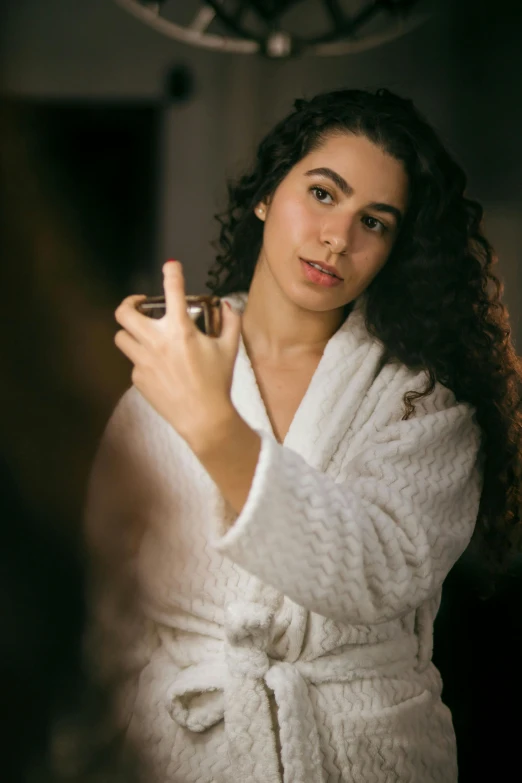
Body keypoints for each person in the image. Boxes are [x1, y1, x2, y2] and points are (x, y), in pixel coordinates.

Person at [83, 88, 522, 783]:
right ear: (265, 195)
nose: (337, 237)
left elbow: (379, 570)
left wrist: (213, 425)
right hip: (182, 747)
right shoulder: (172, 362)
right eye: (322, 193)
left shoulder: (420, 399)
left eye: (374, 221)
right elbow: (105, 595)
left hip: (357, 747)